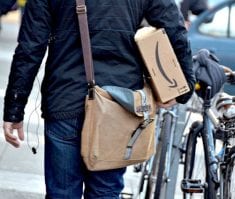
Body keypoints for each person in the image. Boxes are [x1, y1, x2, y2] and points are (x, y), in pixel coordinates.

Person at [2, 0, 195, 198]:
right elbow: (175, 31)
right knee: (106, 192)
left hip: (65, 99)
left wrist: (14, 109)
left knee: (62, 192)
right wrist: (184, 88)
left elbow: (30, 48)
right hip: (119, 105)